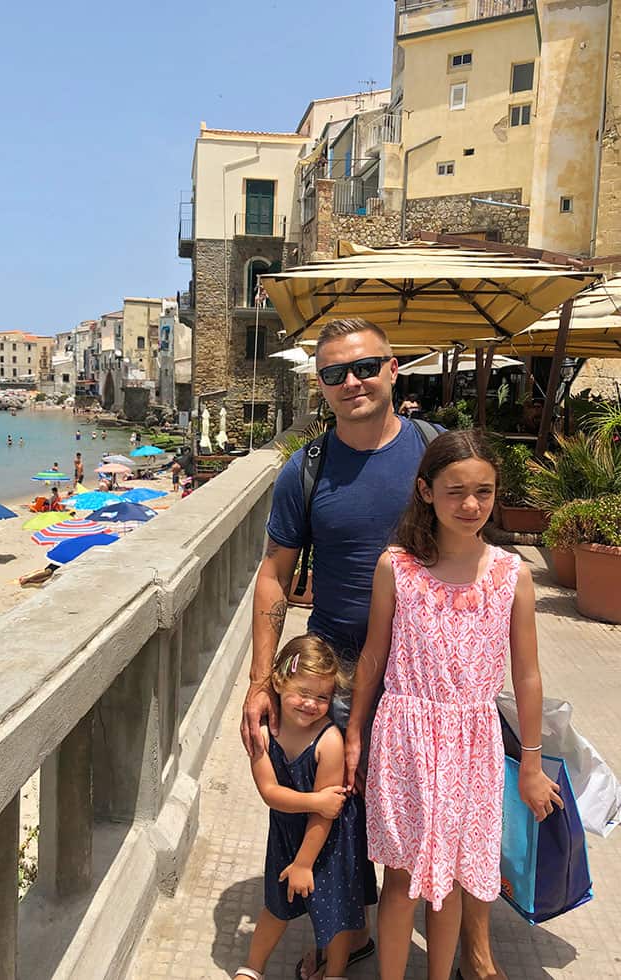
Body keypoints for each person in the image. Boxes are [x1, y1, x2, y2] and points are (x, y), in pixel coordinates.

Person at [241, 318, 504, 980]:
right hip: (335, 667)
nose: (350, 382)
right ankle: (351, 931)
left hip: (429, 666)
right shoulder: (305, 469)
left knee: (454, 803)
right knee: (344, 804)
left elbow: (477, 553)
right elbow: (273, 573)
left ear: (393, 370)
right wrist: (256, 682)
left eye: (363, 367)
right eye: (333, 374)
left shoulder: (432, 454)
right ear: (320, 388)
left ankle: (474, 943)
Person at [346, 429, 562, 980]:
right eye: (455, 491)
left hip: (474, 742)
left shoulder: (512, 576)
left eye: (483, 492)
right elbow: (373, 657)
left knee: (454, 884)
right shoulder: (396, 567)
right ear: (425, 491)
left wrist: (531, 764)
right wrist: (355, 733)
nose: (470, 505)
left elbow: (528, 675)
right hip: (404, 736)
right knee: (400, 881)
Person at [234, 635, 367, 980]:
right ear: (278, 681)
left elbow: (328, 813)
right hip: (286, 833)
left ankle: (335, 971)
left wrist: (305, 863)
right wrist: (315, 802)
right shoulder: (263, 735)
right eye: (303, 693)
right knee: (275, 907)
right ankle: (252, 967)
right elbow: (268, 791)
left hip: (328, 838)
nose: (311, 704)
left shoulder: (330, 742)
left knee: (335, 914)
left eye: (322, 697)